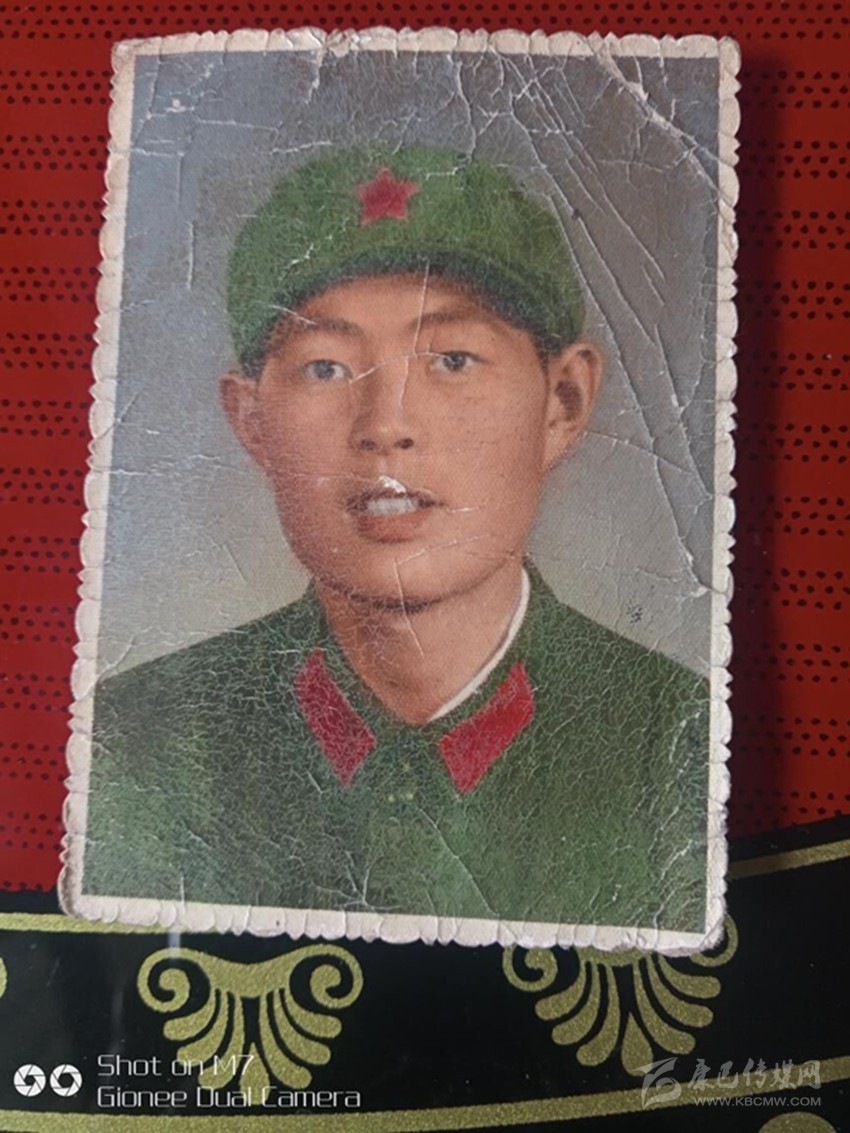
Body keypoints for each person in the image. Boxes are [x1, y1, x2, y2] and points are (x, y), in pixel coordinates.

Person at [81, 146, 709, 934]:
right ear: (252, 420)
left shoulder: (684, 742)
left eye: (452, 359)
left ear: (563, 402)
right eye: (325, 367)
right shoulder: (130, 746)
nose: (386, 426)